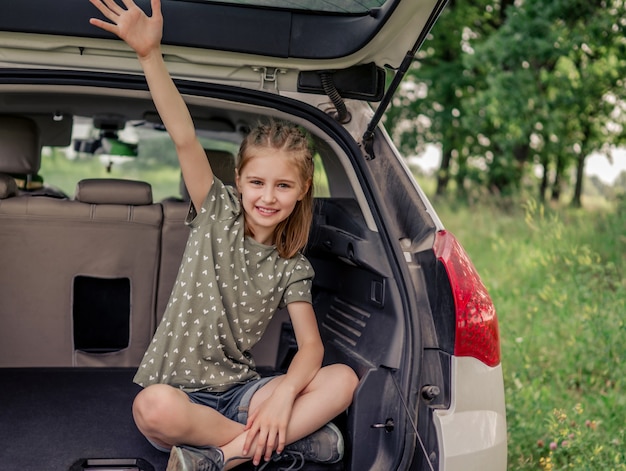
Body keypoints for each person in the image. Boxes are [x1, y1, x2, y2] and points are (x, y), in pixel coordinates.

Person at [88, 1, 359, 470]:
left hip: (241, 394)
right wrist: (149, 55)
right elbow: (184, 137)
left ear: (302, 191)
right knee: (151, 408)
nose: (267, 197)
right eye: (257, 182)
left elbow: (311, 347)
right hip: (181, 401)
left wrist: (282, 396)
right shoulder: (216, 211)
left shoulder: (292, 264)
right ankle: (283, 447)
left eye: (283, 185)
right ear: (238, 181)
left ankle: (223, 458)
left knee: (343, 379)